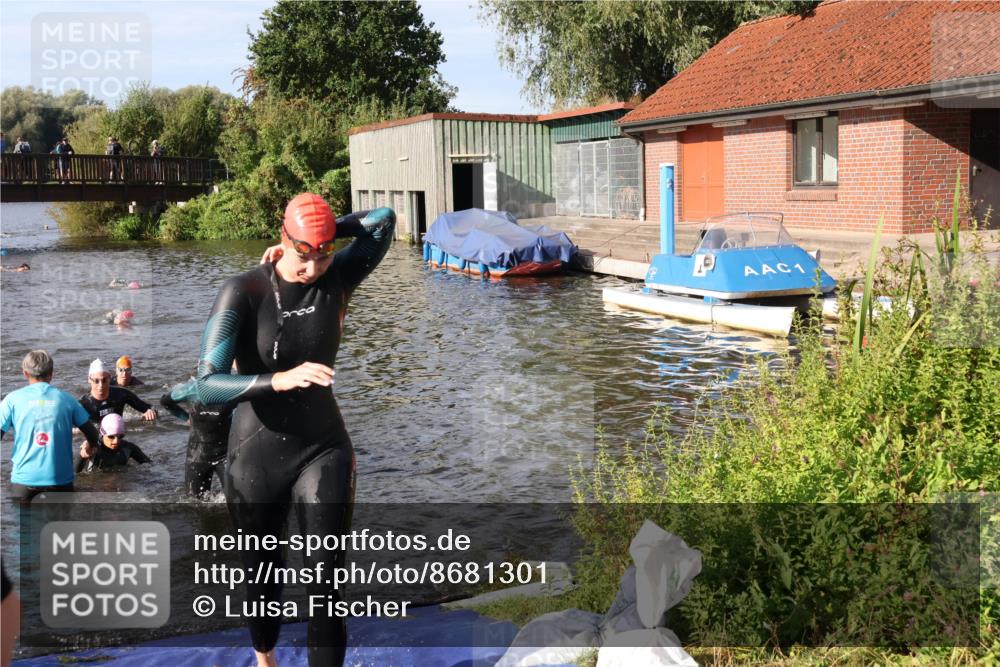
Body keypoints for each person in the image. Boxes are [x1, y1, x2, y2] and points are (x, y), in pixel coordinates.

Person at [194, 194, 394, 667]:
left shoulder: (339, 276)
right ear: (282, 240)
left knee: (326, 582)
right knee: (262, 576)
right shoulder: (243, 290)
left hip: (323, 447)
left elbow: (383, 221)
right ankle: (265, 659)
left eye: (323, 256)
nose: (314, 268)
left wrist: (327, 233)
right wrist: (277, 380)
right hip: (254, 452)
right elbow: (205, 386)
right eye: (305, 256)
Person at [0, 350, 100, 503]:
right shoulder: (67, 399)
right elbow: (92, 433)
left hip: (24, 481)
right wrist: (90, 446)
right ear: (51, 373)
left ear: (25, 373)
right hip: (60, 481)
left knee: (24, 526)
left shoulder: (11, 400)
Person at [160, 376, 236, 497]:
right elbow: (165, 402)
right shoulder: (191, 389)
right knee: (194, 502)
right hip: (197, 455)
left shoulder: (232, 389)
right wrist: (185, 418)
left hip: (225, 454)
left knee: (236, 500)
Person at [78, 359, 157, 424]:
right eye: (96, 381)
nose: (101, 385)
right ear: (89, 380)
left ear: (109, 378)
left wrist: (150, 412)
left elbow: (151, 408)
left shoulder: (121, 394)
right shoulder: (83, 404)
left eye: (104, 380)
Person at [76, 414, 150, 472]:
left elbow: (150, 465)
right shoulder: (92, 448)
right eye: (111, 437)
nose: (116, 441)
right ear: (102, 433)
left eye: (120, 437)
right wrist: (82, 456)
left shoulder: (128, 448)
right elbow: (75, 473)